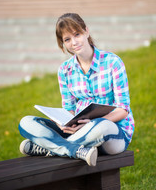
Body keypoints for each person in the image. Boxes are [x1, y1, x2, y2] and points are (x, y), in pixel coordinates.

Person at [19, 13, 134, 167]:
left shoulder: (113, 62)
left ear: (86, 31)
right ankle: (74, 149)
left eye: (77, 34)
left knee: (101, 126)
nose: (74, 42)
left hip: (112, 132)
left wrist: (91, 123)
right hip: (77, 132)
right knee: (26, 122)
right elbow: (69, 110)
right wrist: (64, 122)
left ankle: (49, 147)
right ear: (63, 44)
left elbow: (123, 109)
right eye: (67, 39)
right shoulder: (65, 70)